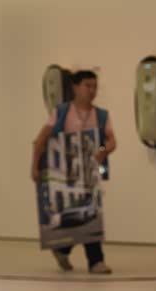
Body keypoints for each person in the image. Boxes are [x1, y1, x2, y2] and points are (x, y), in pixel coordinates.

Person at [31, 70, 117, 274]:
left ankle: (94, 261)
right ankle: (63, 250)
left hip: (88, 172)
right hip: (63, 172)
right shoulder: (61, 112)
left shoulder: (101, 115)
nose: (92, 90)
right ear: (75, 87)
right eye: (87, 85)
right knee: (70, 214)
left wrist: (102, 151)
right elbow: (41, 139)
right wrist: (34, 166)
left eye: (95, 86)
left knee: (91, 213)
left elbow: (111, 140)